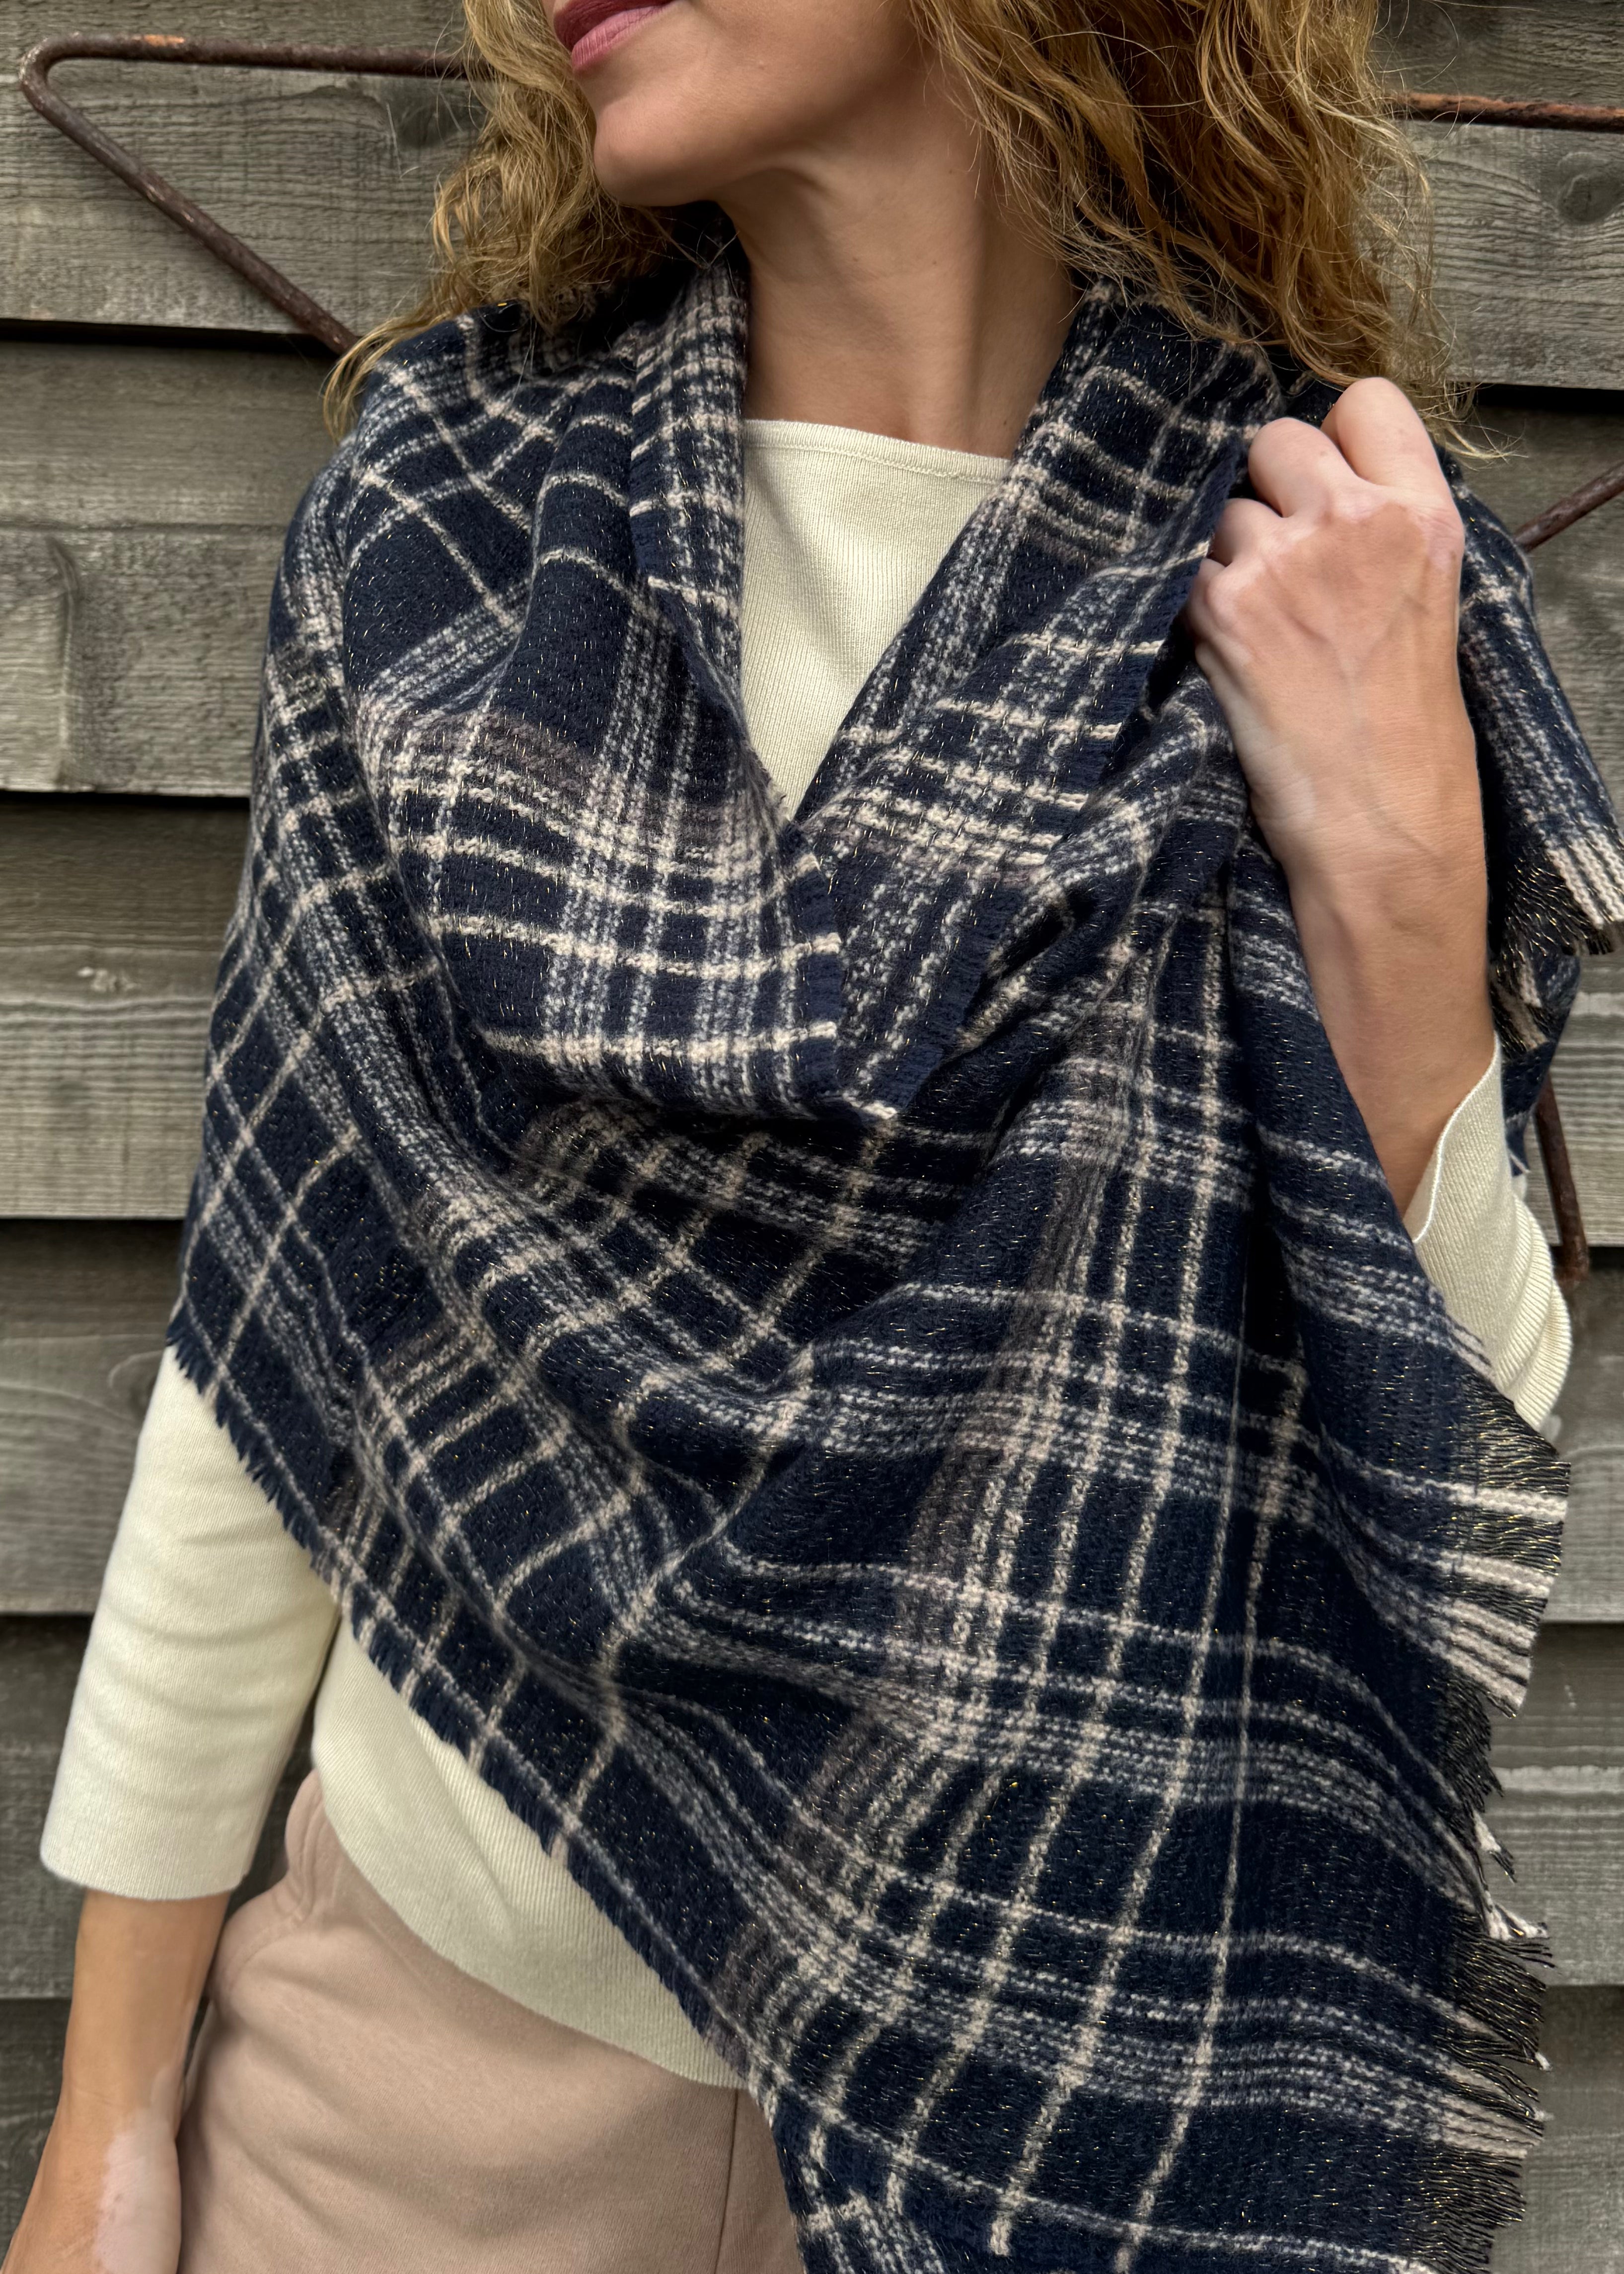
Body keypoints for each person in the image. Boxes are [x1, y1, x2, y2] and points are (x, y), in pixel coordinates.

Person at [10, 2, 1620, 2270]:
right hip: (414, 2100)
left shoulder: (1310, 556)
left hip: (1065, 2090)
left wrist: (1396, 873)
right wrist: (108, 2116)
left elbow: (1451, 1443)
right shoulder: (458, 538)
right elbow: (276, 1347)